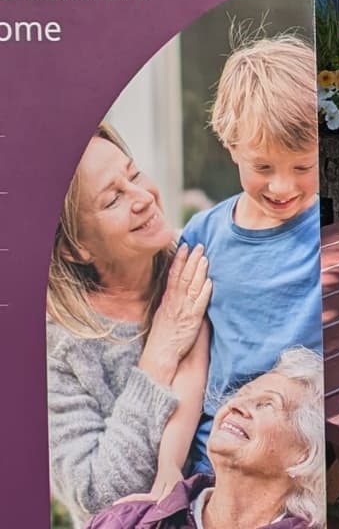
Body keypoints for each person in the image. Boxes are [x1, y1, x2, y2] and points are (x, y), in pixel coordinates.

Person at [48, 124, 213, 527]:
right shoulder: (57, 343)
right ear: (75, 247)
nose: (144, 197)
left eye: (134, 174)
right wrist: (159, 353)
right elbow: (98, 498)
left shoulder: (201, 264)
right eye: (113, 199)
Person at [179, 35, 322, 471]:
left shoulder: (327, 233)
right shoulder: (202, 236)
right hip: (214, 457)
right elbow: (190, 359)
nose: (282, 187)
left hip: (297, 454)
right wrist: (170, 465)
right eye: (263, 167)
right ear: (231, 144)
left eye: (303, 167)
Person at [84, 347, 324, 528]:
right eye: (241, 394)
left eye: (267, 405)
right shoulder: (126, 521)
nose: (237, 405)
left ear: (305, 454)